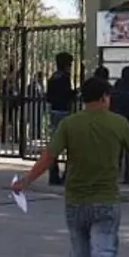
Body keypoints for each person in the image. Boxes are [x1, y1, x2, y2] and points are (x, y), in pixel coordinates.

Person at [12, 76, 129, 257]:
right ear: (104, 98)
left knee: (80, 253)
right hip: (106, 199)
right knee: (104, 251)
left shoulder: (69, 124)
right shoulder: (119, 123)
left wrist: (26, 181)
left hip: (76, 199)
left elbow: (48, 157)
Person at [45, 52, 78, 186]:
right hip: (64, 112)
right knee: (70, 144)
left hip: (53, 111)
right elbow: (67, 95)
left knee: (55, 144)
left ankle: (53, 174)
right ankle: (67, 175)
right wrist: (76, 92)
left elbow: (49, 97)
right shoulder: (65, 78)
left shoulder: (52, 77)